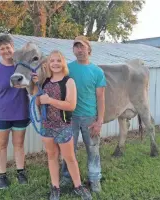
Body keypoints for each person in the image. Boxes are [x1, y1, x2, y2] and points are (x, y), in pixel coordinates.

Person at [34, 50, 92, 200]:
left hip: (63, 126)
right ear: (48, 64)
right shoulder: (44, 82)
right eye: (52, 61)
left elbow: (71, 105)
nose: (55, 63)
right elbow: (39, 102)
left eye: (58, 60)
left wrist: (50, 101)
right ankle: (55, 187)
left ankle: (78, 186)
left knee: (69, 157)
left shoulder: (69, 82)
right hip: (47, 126)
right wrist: (35, 86)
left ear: (63, 63)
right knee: (52, 156)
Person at [0, 34, 30, 189]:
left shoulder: (23, 67)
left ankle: (20, 172)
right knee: (1, 144)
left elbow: (33, 86)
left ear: (13, 47)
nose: (6, 50)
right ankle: (2, 175)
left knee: (19, 144)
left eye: (8, 47)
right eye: (2, 48)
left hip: (20, 112)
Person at [61, 36, 107, 193]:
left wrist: (99, 121)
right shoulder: (67, 69)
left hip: (89, 118)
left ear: (89, 49)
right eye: (76, 47)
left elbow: (100, 98)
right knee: (68, 150)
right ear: (73, 50)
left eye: (82, 46)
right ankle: (67, 178)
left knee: (93, 149)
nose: (79, 49)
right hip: (70, 117)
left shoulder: (97, 71)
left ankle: (95, 179)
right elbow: (51, 78)